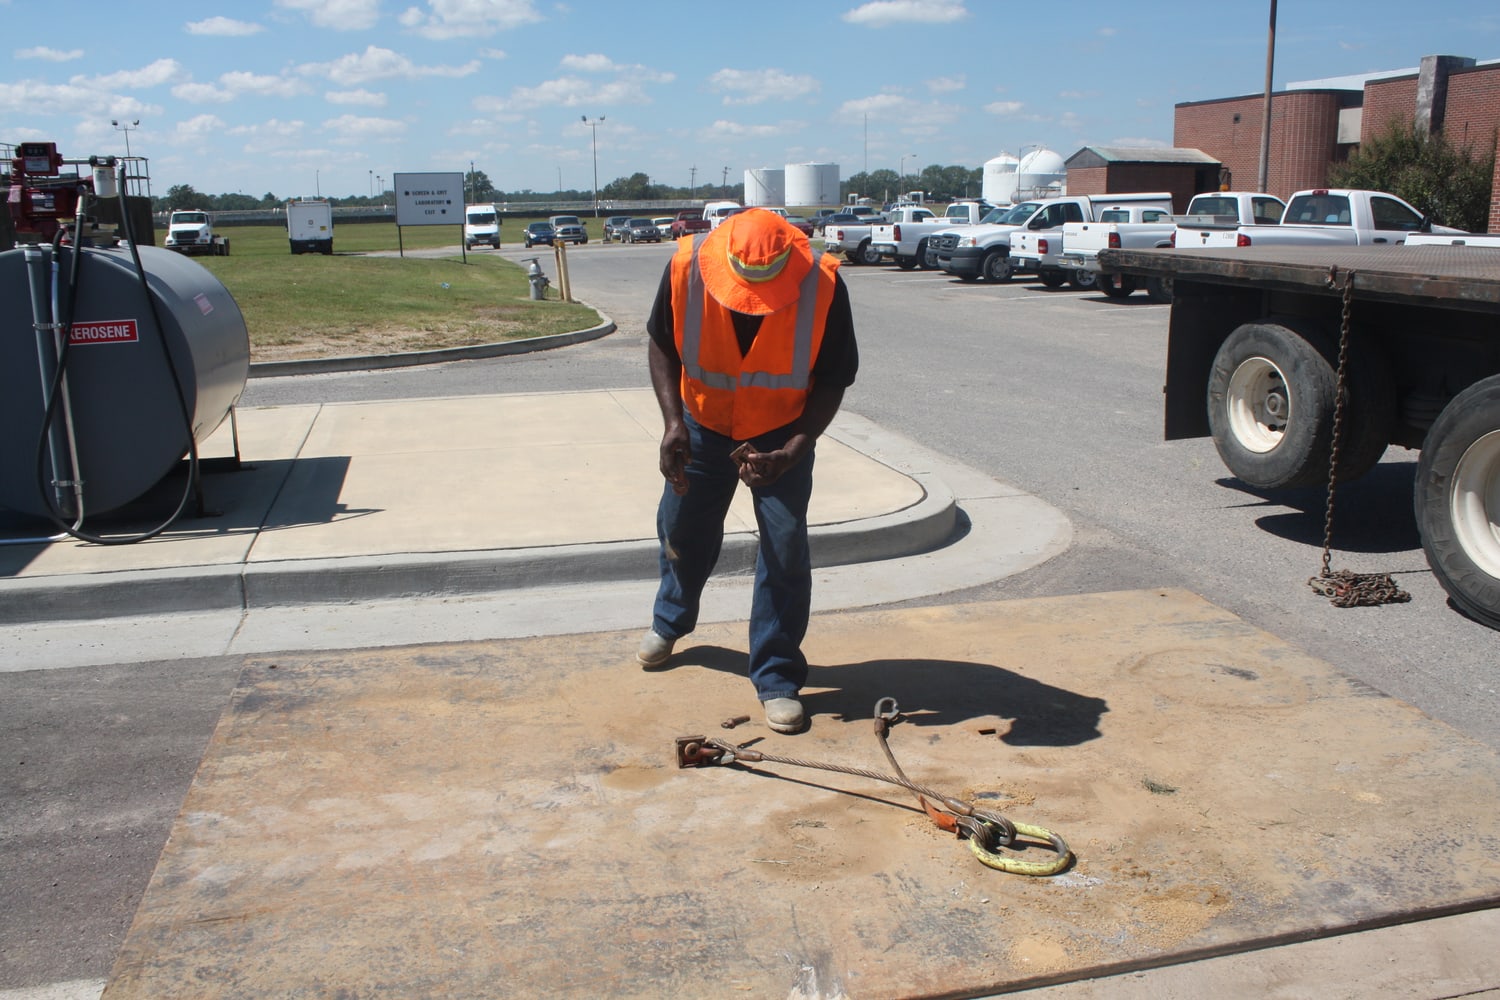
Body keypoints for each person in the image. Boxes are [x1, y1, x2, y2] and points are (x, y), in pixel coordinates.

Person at [638, 207, 859, 734]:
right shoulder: (686, 269)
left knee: (784, 550)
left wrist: (795, 448)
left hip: (781, 435)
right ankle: (670, 622)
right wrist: (674, 423)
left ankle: (777, 676)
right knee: (681, 529)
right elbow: (662, 346)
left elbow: (833, 378)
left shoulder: (823, 283)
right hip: (704, 425)